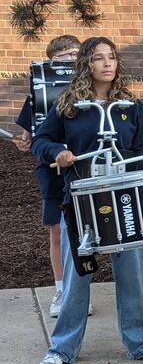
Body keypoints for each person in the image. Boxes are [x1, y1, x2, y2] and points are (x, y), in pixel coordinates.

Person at [33, 37, 143, 364]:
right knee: (78, 276)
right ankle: (63, 347)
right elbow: (41, 140)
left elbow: (140, 148)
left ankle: (142, 341)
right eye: (98, 58)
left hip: (124, 199)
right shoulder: (69, 104)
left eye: (112, 57)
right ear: (86, 64)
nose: (107, 63)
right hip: (80, 200)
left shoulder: (130, 106)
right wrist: (58, 153)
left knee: (132, 273)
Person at [14, 35, 82, 317]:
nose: (71, 62)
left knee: (85, 229)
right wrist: (24, 140)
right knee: (57, 229)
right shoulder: (39, 95)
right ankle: (61, 290)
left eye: (76, 55)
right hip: (52, 170)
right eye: (63, 58)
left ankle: (80, 290)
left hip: (83, 164)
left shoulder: (92, 92)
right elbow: (30, 137)